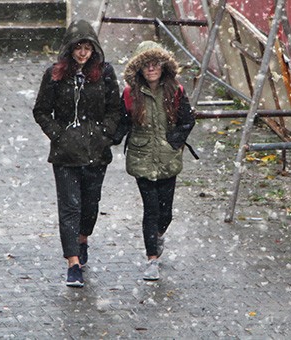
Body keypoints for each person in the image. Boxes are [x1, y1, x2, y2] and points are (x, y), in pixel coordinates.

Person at [33, 20, 121, 287]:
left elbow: (115, 109)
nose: (83, 53)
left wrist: (104, 134)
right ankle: (72, 262)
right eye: (78, 48)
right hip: (65, 155)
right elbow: (41, 110)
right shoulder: (55, 75)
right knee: (69, 207)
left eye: (87, 48)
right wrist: (58, 134)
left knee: (90, 205)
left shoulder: (105, 73)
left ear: (94, 49)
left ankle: (82, 239)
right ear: (69, 49)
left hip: (96, 152)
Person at [121, 41, 196, 281]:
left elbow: (187, 120)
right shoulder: (130, 94)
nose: (151, 69)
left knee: (166, 213)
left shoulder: (176, 91)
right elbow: (122, 122)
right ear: (139, 69)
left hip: (167, 158)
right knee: (150, 210)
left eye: (156, 64)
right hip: (141, 157)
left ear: (163, 67)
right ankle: (151, 258)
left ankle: (158, 235)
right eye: (146, 65)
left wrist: (173, 142)